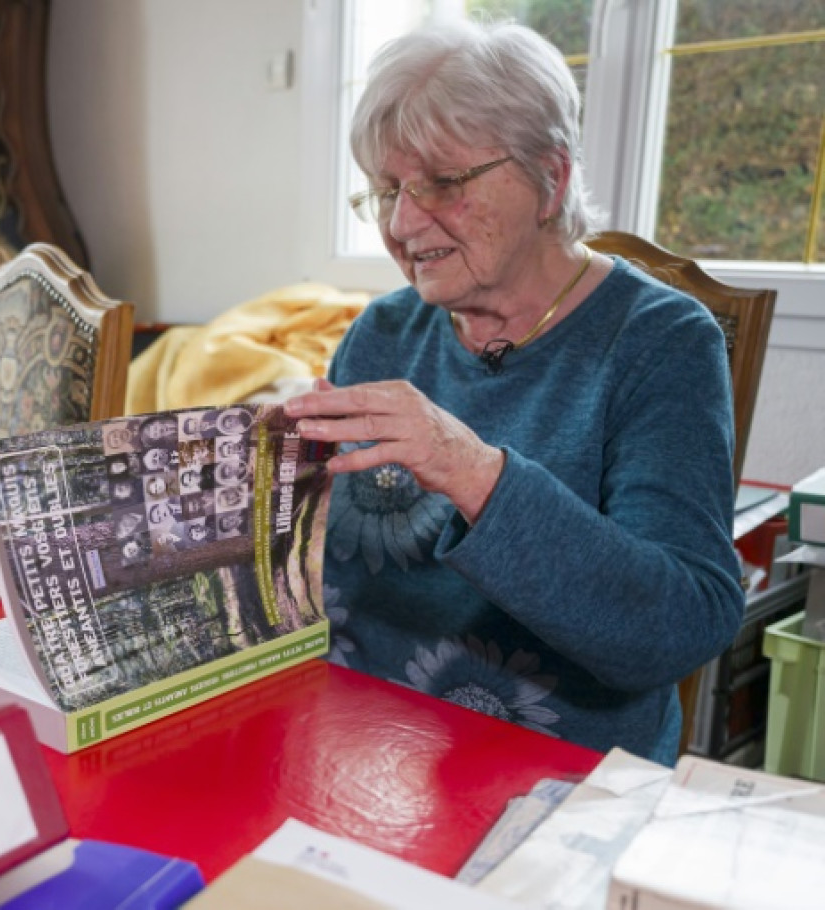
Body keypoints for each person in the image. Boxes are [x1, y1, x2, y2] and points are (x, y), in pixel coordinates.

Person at [284, 20, 742, 765]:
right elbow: (313, 572)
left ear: (550, 179)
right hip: (355, 736)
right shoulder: (386, 330)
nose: (401, 224)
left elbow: (679, 626)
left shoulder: (659, 342)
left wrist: (471, 470)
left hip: (550, 771)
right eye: (386, 190)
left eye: (442, 182)